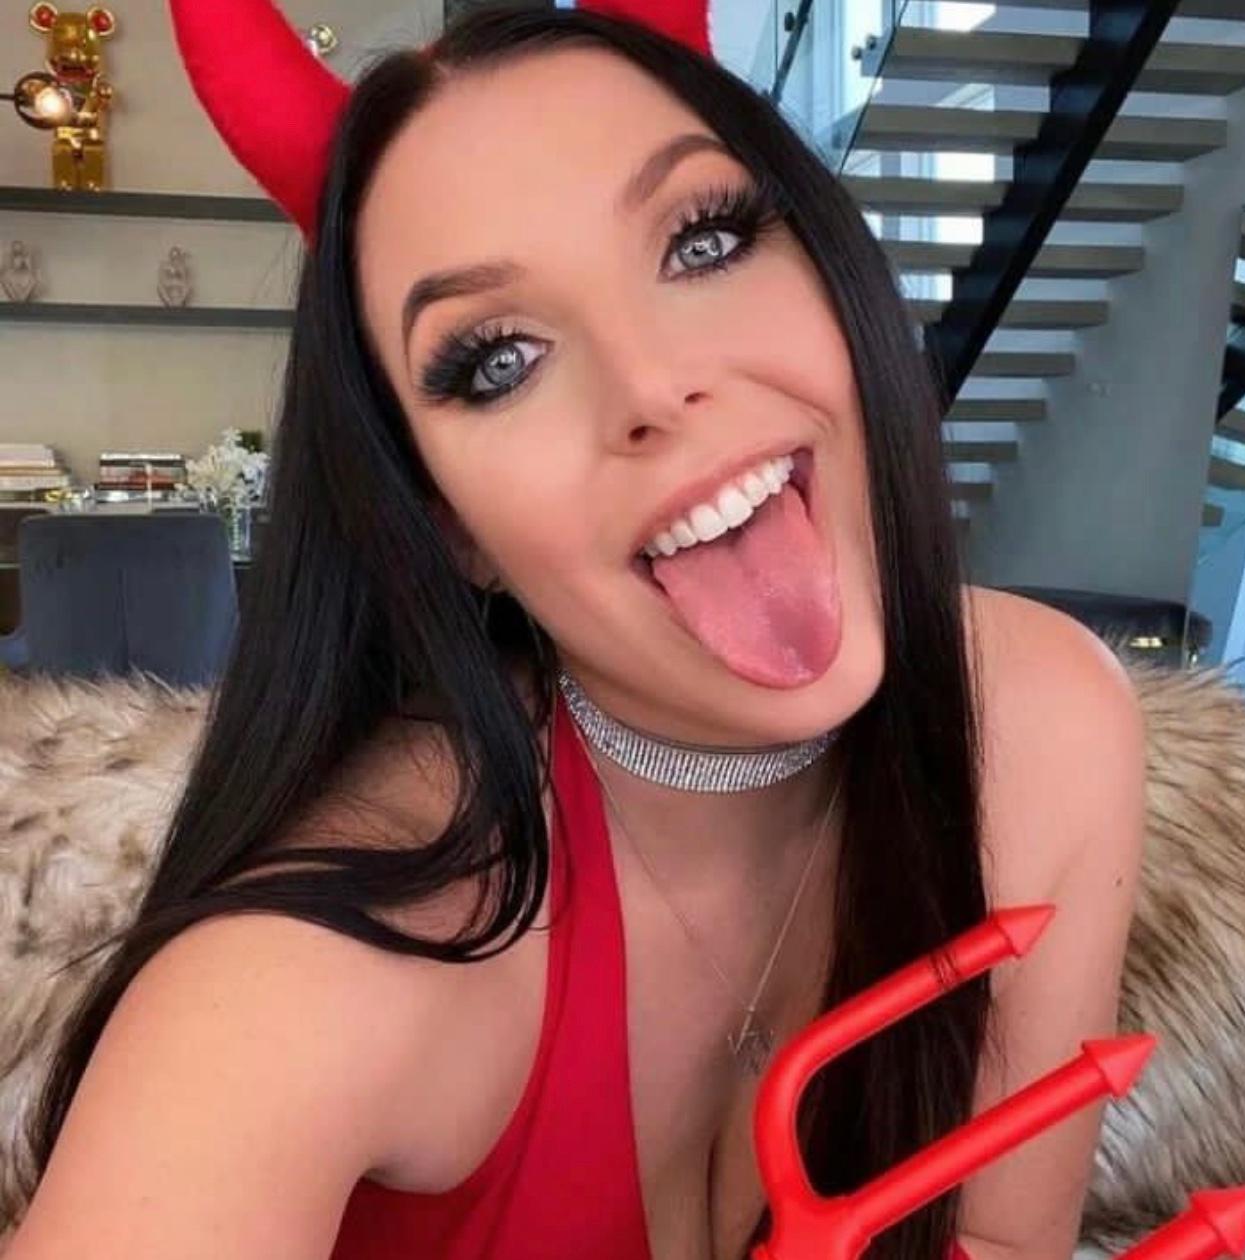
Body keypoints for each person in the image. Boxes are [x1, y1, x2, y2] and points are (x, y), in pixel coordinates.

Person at [6, 5, 1146, 1260]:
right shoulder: (309, 975)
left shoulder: (1044, 722)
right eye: (500, 361)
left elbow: (999, 1241)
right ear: (450, 524)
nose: (653, 385)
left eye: (704, 240)